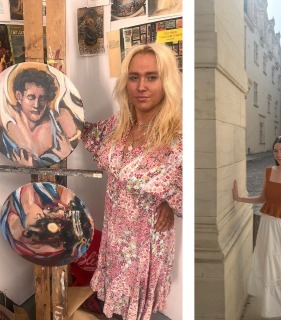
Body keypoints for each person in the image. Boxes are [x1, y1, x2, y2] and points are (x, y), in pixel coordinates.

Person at [82, 43, 182, 320]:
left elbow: (187, 184)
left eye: (152, 77)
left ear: (167, 82)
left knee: (136, 309)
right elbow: (85, 132)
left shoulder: (177, 135)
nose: (142, 86)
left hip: (146, 236)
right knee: (114, 304)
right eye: (134, 77)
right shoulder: (118, 125)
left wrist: (171, 204)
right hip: (116, 229)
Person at [232, 135, 281, 320]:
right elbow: (262, 199)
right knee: (273, 268)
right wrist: (240, 198)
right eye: (276, 150)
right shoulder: (269, 172)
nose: (279, 154)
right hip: (268, 227)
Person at [0, 64, 83, 167]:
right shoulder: (7, 128)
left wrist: (67, 152)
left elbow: (78, 158)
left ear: (48, 100)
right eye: (31, 97)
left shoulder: (60, 120)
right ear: (19, 96)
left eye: (42, 98)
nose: (36, 105)